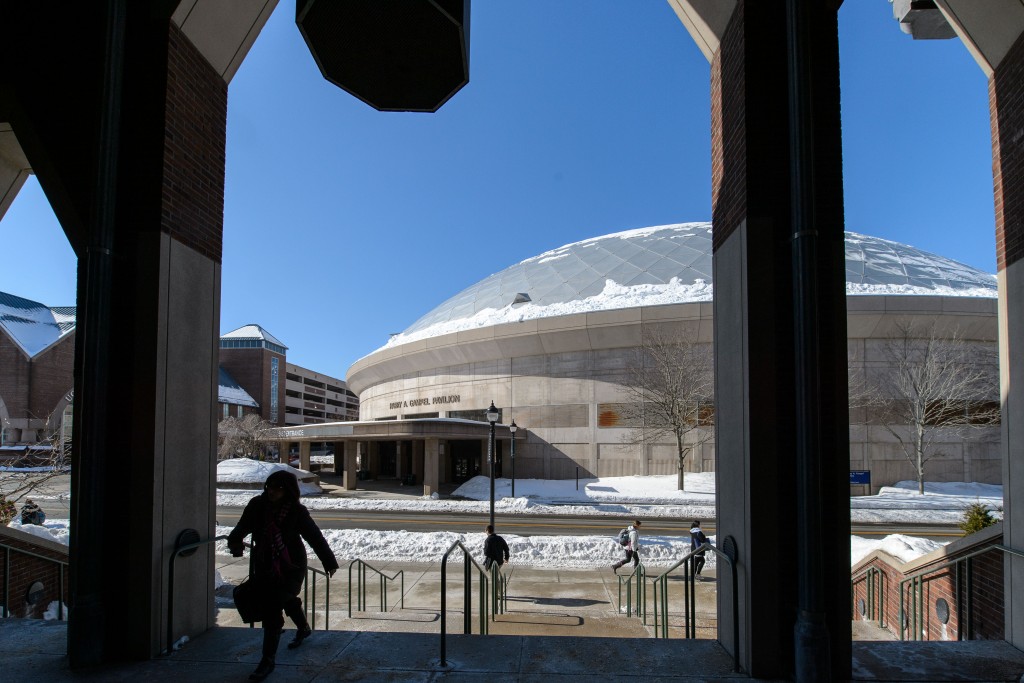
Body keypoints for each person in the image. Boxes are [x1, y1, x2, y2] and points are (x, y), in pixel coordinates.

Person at [228, 470, 339, 681]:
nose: (272, 492)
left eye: (278, 488)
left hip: (291, 566)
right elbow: (243, 526)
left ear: (288, 491)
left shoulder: (296, 511)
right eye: (269, 487)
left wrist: (329, 561)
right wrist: (235, 540)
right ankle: (304, 628)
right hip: (265, 564)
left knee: (272, 608)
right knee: (283, 599)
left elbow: (315, 537)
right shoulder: (257, 505)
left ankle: (267, 660)